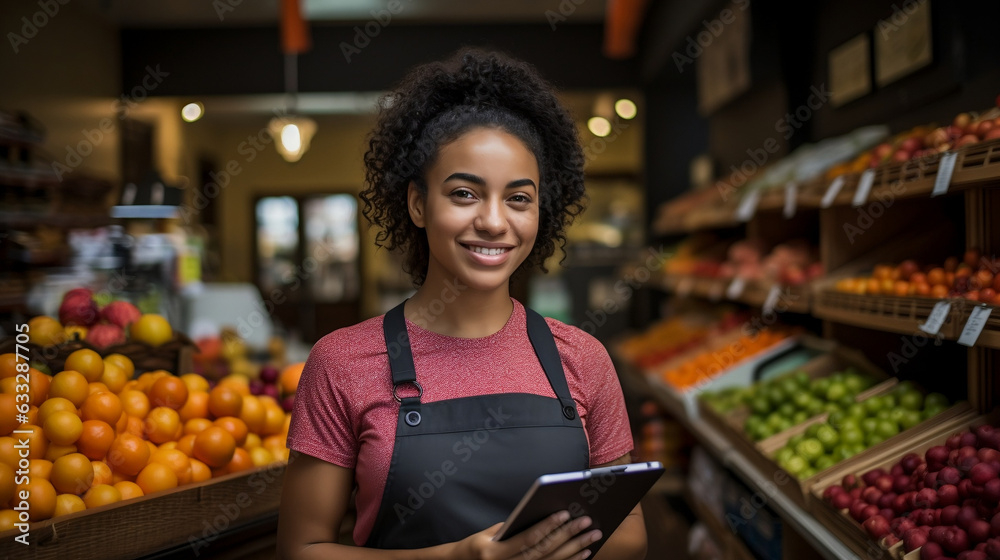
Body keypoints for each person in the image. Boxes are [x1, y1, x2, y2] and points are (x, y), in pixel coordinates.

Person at [277, 48, 646, 560]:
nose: (495, 222)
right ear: (417, 204)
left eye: (519, 198)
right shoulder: (342, 364)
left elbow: (629, 534)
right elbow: (303, 550)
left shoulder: (582, 358)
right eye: (465, 194)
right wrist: (456, 559)